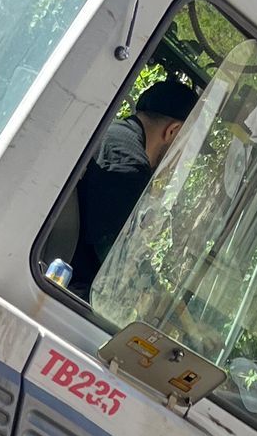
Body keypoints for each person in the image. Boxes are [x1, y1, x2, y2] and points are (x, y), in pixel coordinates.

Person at [69, 77, 199, 299]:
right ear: (173, 131)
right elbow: (120, 264)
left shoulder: (112, 135)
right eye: (186, 146)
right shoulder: (130, 168)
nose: (180, 160)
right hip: (71, 286)